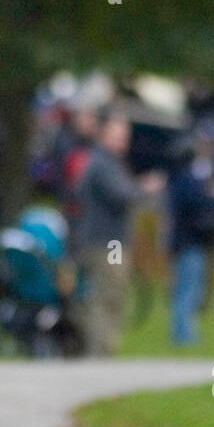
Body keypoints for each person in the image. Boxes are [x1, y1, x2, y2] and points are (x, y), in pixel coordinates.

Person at [73, 109, 163, 356]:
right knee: (107, 297)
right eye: (118, 135)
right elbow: (121, 196)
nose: (123, 141)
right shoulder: (104, 163)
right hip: (107, 244)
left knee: (106, 297)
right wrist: (145, 188)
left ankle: (101, 351)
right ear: (103, 135)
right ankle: (100, 354)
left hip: (102, 241)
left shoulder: (104, 161)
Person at [167, 122, 214, 345]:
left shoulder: (194, 174)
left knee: (191, 288)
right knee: (187, 289)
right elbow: (191, 203)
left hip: (193, 242)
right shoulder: (187, 177)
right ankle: (184, 335)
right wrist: (212, 196)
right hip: (188, 242)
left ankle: (185, 332)